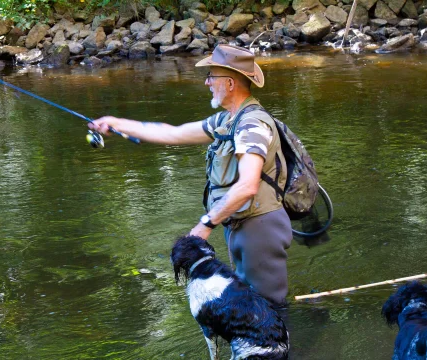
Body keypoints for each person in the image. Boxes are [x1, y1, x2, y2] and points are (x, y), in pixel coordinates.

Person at [89, 45, 292, 306]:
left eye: (211, 76)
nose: (207, 82)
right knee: (252, 308)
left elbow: (248, 186)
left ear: (229, 83)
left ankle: (296, 347)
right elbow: (173, 133)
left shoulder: (251, 124)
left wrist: (204, 226)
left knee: (269, 310)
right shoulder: (227, 120)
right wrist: (116, 123)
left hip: (260, 228)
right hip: (242, 225)